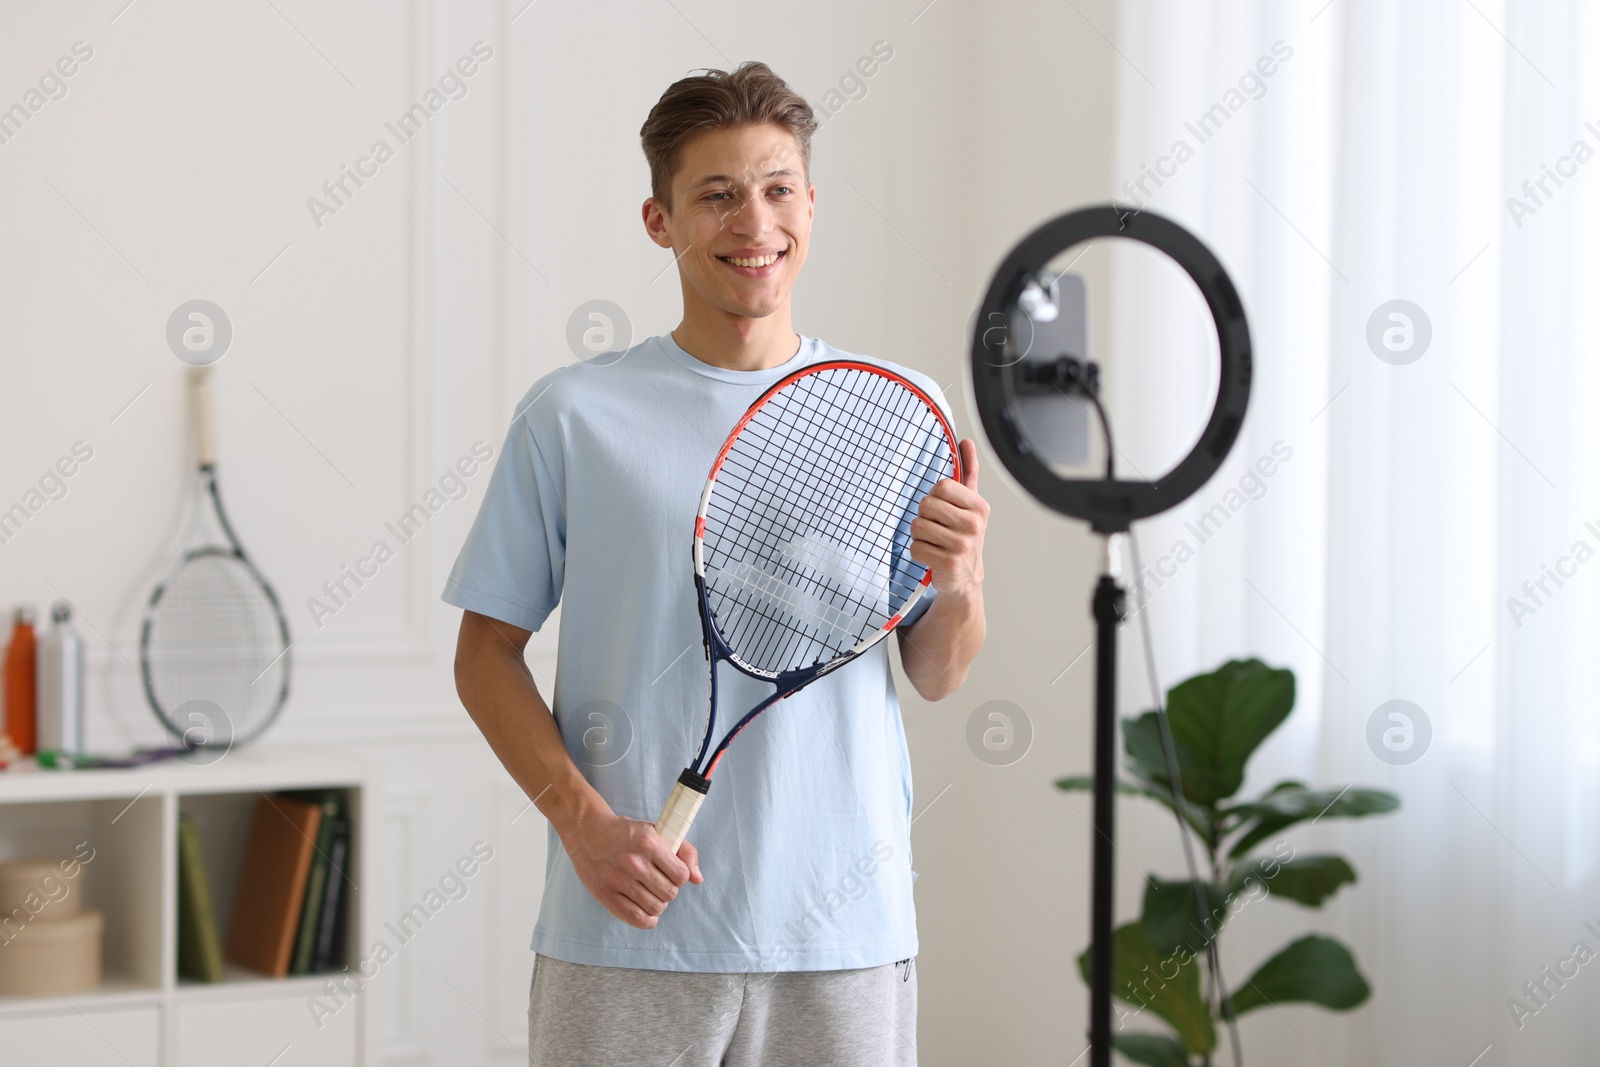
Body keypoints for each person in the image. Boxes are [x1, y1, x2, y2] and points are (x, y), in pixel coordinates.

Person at [446, 60, 988, 1067]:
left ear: (812, 206)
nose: (755, 222)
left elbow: (937, 669)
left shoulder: (903, 408)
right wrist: (584, 822)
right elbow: (484, 652)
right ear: (660, 221)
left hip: (844, 934)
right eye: (718, 194)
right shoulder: (572, 415)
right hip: (628, 929)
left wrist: (960, 580)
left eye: (779, 188)